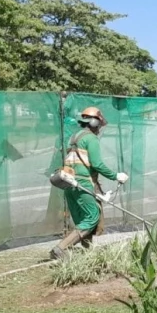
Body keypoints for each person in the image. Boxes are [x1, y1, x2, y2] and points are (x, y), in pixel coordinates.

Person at [50, 107, 129, 260]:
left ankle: (89, 253)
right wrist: (116, 176)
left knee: (82, 220)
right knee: (92, 217)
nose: (99, 128)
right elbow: (97, 164)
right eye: (99, 124)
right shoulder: (91, 139)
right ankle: (60, 249)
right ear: (94, 122)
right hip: (82, 183)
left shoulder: (74, 137)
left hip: (68, 183)